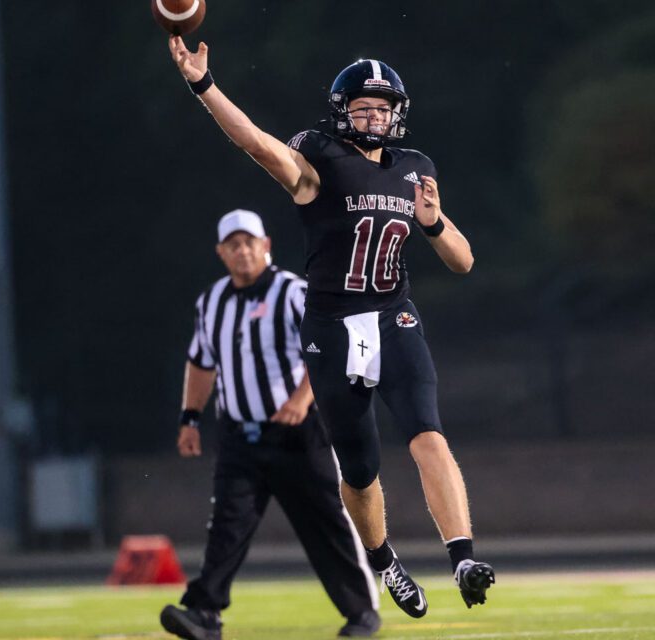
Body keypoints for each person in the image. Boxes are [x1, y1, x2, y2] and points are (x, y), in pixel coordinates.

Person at [167, 38, 495, 617]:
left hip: (395, 318)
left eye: (383, 107)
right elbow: (256, 143)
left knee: (428, 435)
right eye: (363, 107)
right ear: (343, 110)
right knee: (362, 471)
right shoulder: (320, 159)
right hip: (332, 330)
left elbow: (463, 261)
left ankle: (462, 555)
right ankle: (383, 559)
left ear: (398, 112)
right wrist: (204, 84)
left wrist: (435, 221)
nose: (374, 116)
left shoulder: (415, 169)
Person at [159, 210, 381, 640]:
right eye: (233, 245)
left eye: (249, 242)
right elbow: (201, 363)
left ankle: (362, 612)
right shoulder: (212, 302)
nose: (242, 251)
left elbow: (327, 351)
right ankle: (205, 613)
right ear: (221, 253)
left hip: (297, 434)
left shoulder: (294, 293)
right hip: (240, 436)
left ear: (266, 245)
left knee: (327, 522)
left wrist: (302, 399)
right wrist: (190, 418)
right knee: (227, 526)